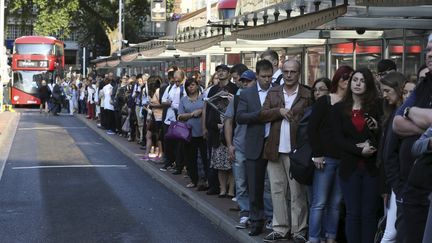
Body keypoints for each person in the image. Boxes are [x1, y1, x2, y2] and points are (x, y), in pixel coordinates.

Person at [259, 59, 312, 243]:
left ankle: (299, 230)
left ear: (299, 73)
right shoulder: (273, 92)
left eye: (293, 72)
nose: (289, 75)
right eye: (286, 71)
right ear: (282, 72)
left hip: (296, 151)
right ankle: (280, 229)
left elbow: (311, 122)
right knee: (277, 191)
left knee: (297, 192)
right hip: (274, 149)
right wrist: (279, 111)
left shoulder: (306, 94)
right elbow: (262, 114)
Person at [332, 68, 382, 243]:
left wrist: (375, 132)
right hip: (349, 168)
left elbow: (384, 136)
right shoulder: (339, 109)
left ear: (368, 84)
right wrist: (358, 149)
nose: (358, 83)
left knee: (369, 214)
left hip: (371, 169)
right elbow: (337, 139)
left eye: (362, 80)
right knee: (353, 213)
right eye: (355, 80)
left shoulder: (377, 107)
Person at [392, 37, 432, 243]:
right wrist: (414, 114)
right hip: (413, 185)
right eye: (428, 50)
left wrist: (411, 112)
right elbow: (397, 123)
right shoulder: (424, 84)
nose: (430, 54)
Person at [307, 66, 353, 243]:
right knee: (319, 202)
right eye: (344, 78)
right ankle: (314, 238)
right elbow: (312, 129)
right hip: (325, 158)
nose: (347, 82)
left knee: (335, 203)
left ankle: (331, 237)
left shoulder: (353, 103)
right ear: (337, 80)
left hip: (345, 159)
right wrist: (317, 153)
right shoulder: (325, 101)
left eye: (350, 78)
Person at [224, 69, 257, 229]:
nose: (244, 84)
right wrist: (230, 145)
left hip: (257, 147)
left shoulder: (260, 99)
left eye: (248, 81)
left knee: (258, 183)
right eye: (243, 81)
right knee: (241, 182)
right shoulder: (235, 100)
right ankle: (245, 213)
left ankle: (261, 215)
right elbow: (228, 122)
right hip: (240, 146)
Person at [377, 72, 406, 243]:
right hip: (395, 180)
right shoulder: (392, 114)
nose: (385, 95)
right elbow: (387, 154)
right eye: (383, 91)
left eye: (388, 90)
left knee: (392, 232)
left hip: (397, 179)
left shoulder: (397, 114)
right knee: (391, 232)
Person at [203, 64, 238, 195]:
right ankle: (222, 189)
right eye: (219, 71)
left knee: (231, 162)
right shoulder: (212, 90)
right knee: (218, 163)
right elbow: (208, 109)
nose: (221, 73)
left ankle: (230, 190)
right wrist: (207, 126)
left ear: (229, 73)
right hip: (216, 130)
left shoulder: (234, 88)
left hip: (231, 129)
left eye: (224, 71)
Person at [178, 78, 207, 188]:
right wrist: (191, 114)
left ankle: (205, 179)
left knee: (204, 158)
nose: (191, 87)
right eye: (189, 85)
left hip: (202, 132)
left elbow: (207, 110)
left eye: (193, 85)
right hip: (188, 133)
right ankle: (193, 179)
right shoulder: (183, 100)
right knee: (190, 158)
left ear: (197, 86)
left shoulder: (203, 98)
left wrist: (201, 111)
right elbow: (180, 116)